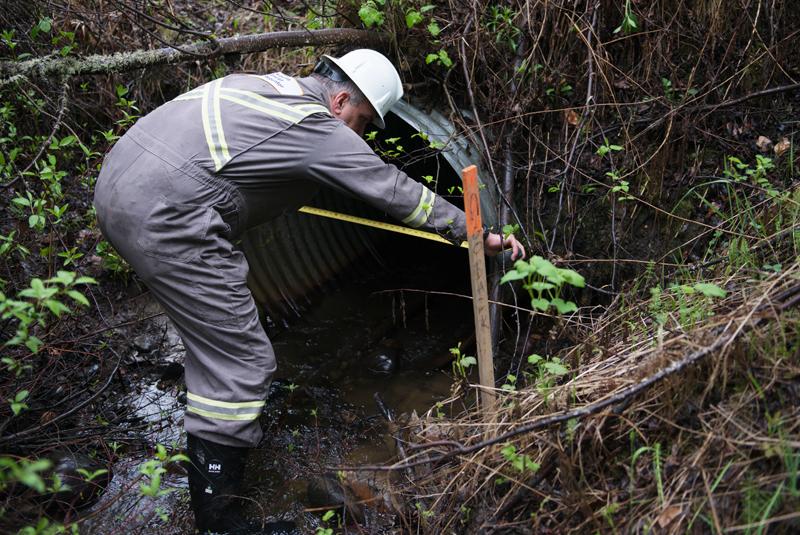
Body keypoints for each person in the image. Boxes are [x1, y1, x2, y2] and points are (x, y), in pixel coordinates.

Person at [93, 49, 525, 534]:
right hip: (168, 216)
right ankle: (220, 520)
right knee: (242, 363)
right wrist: (475, 232)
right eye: (361, 122)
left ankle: (227, 416)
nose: (358, 135)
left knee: (219, 335)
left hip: (118, 186)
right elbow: (390, 187)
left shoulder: (261, 87)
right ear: (340, 100)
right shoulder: (313, 126)